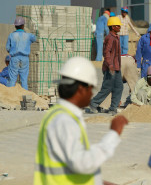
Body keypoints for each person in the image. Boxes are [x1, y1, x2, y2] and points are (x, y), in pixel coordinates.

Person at [33, 57, 129, 185]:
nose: (91, 94)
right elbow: (82, 164)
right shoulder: (65, 120)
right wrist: (113, 134)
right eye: (91, 89)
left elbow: (70, 170)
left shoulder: (58, 115)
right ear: (81, 89)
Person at [89, 17, 124, 115]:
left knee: (119, 87)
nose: (119, 27)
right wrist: (110, 65)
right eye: (118, 25)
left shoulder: (116, 37)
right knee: (107, 88)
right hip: (110, 68)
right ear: (113, 27)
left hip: (116, 67)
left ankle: (113, 108)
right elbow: (106, 53)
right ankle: (94, 103)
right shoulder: (110, 38)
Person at [6, 16, 36, 90]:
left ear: (15, 26)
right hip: (25, 58)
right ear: (23, 25)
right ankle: (25, 96)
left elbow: (7, 48)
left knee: (12, 79)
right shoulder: (28, 36)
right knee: (24, 80)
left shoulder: (11, 35)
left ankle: (11, 95)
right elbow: (34, 38)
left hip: (14, 58)